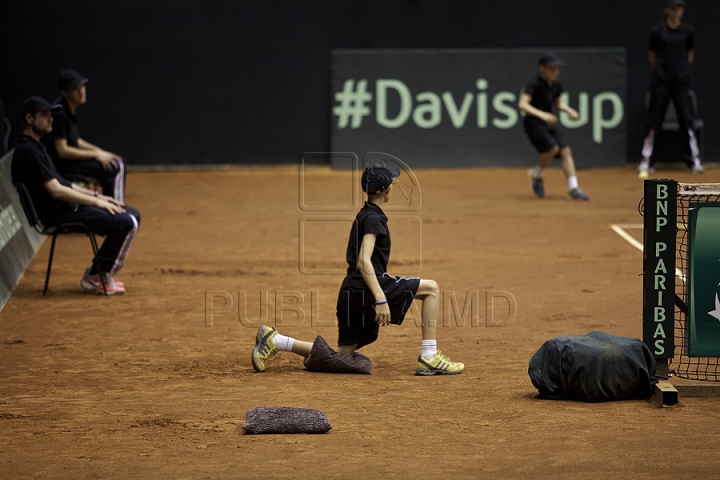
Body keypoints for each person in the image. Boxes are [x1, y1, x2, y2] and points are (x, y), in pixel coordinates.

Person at [252, 164, 465, 376]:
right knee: (431, 289)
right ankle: (429, 357)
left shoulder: (364, 214)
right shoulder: (374, 218)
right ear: (383, 191)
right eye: (390, 183)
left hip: (351, 291)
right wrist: (380, 298)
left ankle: (276, 340)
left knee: (343, 356)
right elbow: (364, 261)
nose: (393, 185)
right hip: (367, 285)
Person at [12, 96, 140, 295]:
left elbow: (64, 182)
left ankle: (98, 272)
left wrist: (99, 196)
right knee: (127, 221)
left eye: (50, 115)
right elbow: (56, 190)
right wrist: (96, 201)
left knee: (129, 213)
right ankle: (97, 276)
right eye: (44, 116)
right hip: (58, 215)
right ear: (29, 118)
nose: (51, 119)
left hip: (67, 208)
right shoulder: (28, 151)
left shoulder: (36, 146)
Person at [639, 0, 702, 177]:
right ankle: (647, 160)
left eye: (679, 9)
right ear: (666, 10)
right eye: (673, 8)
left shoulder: (688, 31)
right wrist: (662, 71)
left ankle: (693, 161)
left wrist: (681, 70)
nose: (676, 12)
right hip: (661, 82)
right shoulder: (657, 32)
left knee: (687, 121)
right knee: (654, 121)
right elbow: (652, 54)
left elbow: (690, 53)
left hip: (682, 82)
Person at [42, 69, 126, 201]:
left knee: (115, 161)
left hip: (71, 163)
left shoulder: (70, 109)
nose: (82, 91)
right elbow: (62, 151)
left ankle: (111, 207)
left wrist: (99, 151)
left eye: (82, 86)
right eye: (75, 89)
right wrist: (96, 155)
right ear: (65, 92)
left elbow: (75, 140)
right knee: (115, 167)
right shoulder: (59, 113)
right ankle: (115, 209)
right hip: (62, 168)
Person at [519, 52, 589, 201]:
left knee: (566, 151)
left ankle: (573, 189)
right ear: (542, 68)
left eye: (557, 69)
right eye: (552, 69)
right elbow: (522, 104)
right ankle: (537, 174)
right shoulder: (533, 84)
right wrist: (541, 114)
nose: (555, 72)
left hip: (548, 123)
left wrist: (568, 110)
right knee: (553, 149)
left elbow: (558, 104)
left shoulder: (556, 85)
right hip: (533, 123)